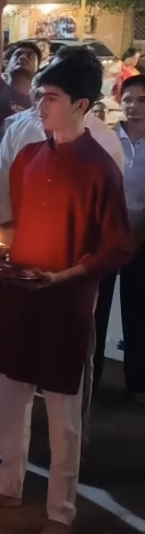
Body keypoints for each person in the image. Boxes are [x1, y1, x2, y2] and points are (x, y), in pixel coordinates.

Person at [0, 49, 134, 534]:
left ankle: (61, 510)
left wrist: (67, 276)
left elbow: (116, 246)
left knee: (63, 408)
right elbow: (13, 222)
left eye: (51, 98)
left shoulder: (101, 166)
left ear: (82, 105)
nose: (41, 106)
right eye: (39, 96)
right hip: (20, 293)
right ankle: (7, 484)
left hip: (65, 301)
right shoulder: (30, 155)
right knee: (11, 391)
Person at [101, 74, 145, 404]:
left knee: (138, 310)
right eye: (129, 99)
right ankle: (91, 372)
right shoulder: (108, 138)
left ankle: (137, 381)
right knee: (96, 308)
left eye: (142, 100)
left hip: (142, 240)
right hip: (105, 236)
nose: (134, 107)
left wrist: (136, 237)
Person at [0, 0, 41, 143]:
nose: (23, 58)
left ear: (38, 68)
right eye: (18, 55)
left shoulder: (39, 102)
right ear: (7, 65)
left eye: (30, 56)